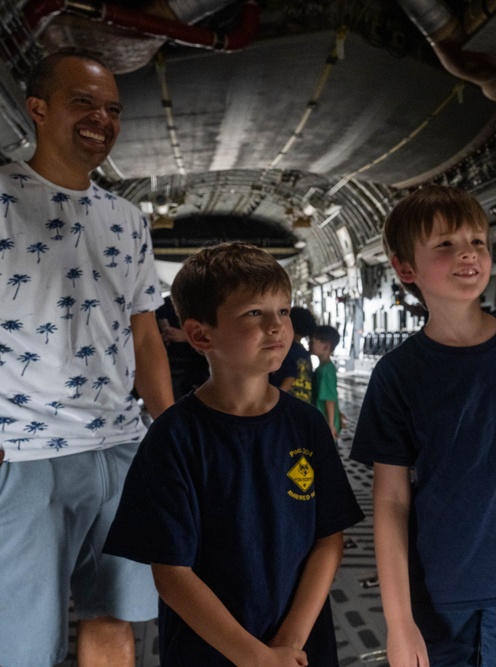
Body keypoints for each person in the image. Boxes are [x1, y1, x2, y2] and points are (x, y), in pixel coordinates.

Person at [350, 185, 496, 666]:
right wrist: (398, 621)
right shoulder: (398, 374)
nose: (468, 255)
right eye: (445, 245)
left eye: (477, 241)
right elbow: (391, 502)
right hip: (439, 593)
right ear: (404, 268)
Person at [103, 241, 364, 665]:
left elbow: (328, 540)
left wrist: (289, 642)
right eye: (254, 313)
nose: (278, 326)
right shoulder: (176, 437)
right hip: (209, 650)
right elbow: (171, 573)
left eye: (282, 311)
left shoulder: (306, 425)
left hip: (297, 646)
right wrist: (255, 657)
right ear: (200, 334)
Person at [0, 50, 173, 667]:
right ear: (38, 109)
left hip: (120, 450)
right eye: (83, 102)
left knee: (115, 616)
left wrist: (171, 433)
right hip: (27, 452)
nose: (102, 118)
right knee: (25, 643)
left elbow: (145, 335)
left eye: (112, 108)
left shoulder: (126, 218)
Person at [157, 295, 210, 399]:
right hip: (170, 363)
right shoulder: (167, 303)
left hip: (198, 365)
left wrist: (187, 336)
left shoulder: (210, 304)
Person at [270, 305, 317, 403]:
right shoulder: (304, 353)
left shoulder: (288, 350)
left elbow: (290, 376)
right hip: (303, 402)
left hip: (288, 402)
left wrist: (274, 401)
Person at [310, 324, 342, 441]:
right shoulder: (324, 368)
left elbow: (329, 399)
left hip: (325, 422)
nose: (310, 343)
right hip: (325, 420)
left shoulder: (326, 371)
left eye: (313, 341)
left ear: (325, 347)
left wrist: (331, 425)